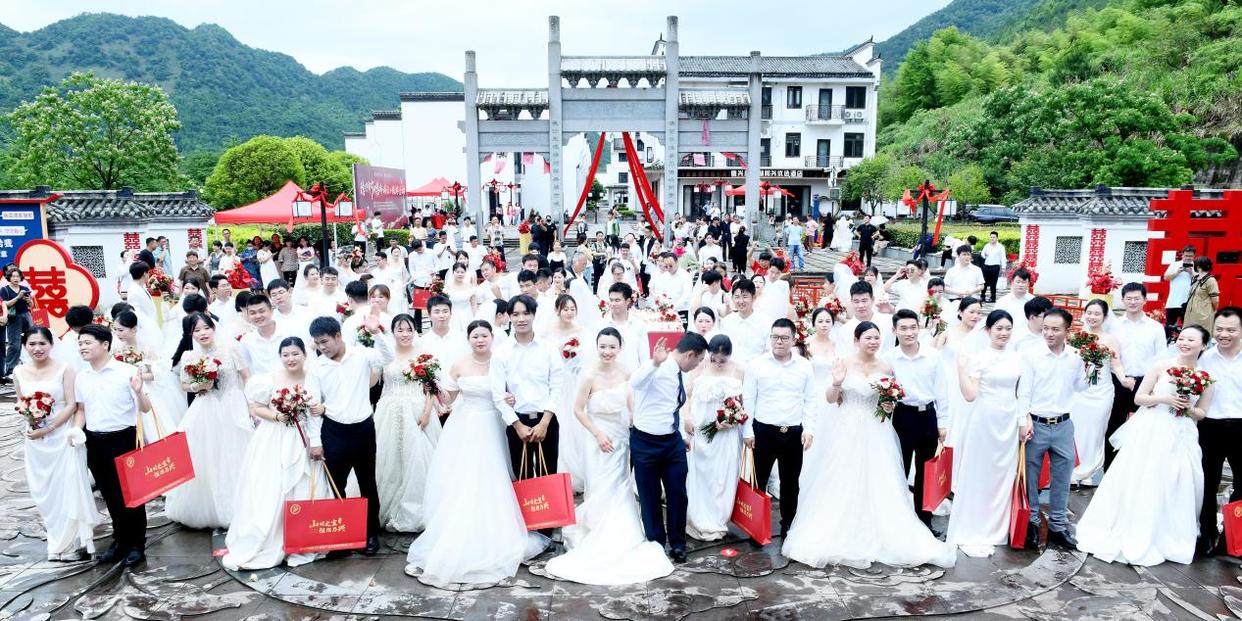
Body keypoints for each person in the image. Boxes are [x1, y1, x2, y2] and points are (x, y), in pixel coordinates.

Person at [783, 321, 956, 569]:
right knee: (843, 477)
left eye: (876, 338)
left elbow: (889, 401)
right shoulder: (843, 363)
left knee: (879, 478)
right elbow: (831, 400)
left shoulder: (886, 365)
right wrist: (837, 383)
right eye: (868, 338)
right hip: (846, 427)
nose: (873, 342)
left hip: (877, 429)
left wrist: (888, 404)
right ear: (856, 340)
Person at [405, 320, 548, 585]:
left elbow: (515, 389)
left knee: (494, 476)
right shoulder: (459, 364)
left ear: (492, 337)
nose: (480, 340)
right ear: (468, 339)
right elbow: (448, 399)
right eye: (475, 336)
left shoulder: (502, 361)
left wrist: (510, 398)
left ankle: (497, 528)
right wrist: (432, 387)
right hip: (466, 424)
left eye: (484, 335)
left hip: (495, 423)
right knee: (465, 477)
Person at [544, 328, 675, 584]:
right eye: (602, 346)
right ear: (596, 347)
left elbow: (632, 403)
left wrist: (637, 424)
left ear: (620, 348)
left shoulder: (627, 372)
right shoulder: (589, 375)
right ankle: (597, 528)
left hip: (622, 438)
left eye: (612, 347)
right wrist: (597, 434)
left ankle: (623, 530)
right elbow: (578, 410)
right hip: (598, 440)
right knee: (601, 486)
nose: (607, 352)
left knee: (621, 485)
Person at [1076, 325, 1214, 566]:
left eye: (1191, 340)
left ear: (1203, 345)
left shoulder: (1205, 377)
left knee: (1176, 479)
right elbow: (1140, 398)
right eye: (1181, 338)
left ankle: (1169, 534)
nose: (1184, 343)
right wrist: (1165, 399)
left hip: (1182, 433)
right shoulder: (1161, 366)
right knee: (1145, 476)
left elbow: (1202, 412)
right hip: (1153, 429)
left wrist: (1188, 409)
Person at [223, 337, 331, 570]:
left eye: (295, 354)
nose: (291, 359)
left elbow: (315, 412)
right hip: (274, 438)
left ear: (304, 355)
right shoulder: (267, 379)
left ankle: (301, 539)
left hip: (303, 439)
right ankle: (273, 540)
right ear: (280, 356)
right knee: (273, 487)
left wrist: (316, 441)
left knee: (304, 486)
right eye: (286, 354)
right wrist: (278, 416)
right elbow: (256, 408)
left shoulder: (313, 378)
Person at [308, 310, 393, 556]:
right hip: (333, 430)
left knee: (368, 483)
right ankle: (342, 538)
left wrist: (376, 333)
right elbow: (312, 406)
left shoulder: (361, 355)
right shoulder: (316, 366)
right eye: (317, 343)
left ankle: (370, 534)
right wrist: (315, 441)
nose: (322, 347)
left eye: (325, 341)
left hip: (363, 428)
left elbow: (388, 357)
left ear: (338, 336)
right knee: (337, 485)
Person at [945, 310, 1024, 556]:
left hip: (1009, 421)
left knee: (1004, 474)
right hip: (984, 420)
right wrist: (961, 369)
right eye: (998, 328)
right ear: (988, 331)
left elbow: (1023, 392)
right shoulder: (979, 358)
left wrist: (1024, 419)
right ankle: (975, 524)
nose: (1004, 333)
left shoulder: (1018, 358)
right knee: (980, 471)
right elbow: (970, 395)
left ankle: (998, 527)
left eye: (1008, 328)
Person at [164, 312, 253, 529]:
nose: (203, 333)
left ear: (214, 328)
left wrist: (252, 404)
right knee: (208, 456)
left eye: (206, 328)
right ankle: (212, 507)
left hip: (233, 405)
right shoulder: (189, 356)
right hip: (206, 408)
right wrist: (198, 386)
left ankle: (243, 505)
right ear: (191, 334)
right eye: (197, 330)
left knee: (236, 453)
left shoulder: (231, 348)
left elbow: (246, 377)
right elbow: (185, 385)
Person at [17, 327, 98, 561]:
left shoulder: (65, 369)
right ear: (25, 346)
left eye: (42, 343)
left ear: (51, 345)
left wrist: (49, 427)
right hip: (36, 440)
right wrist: (32, 421)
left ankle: (70, 543)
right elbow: (21, 403)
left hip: (62, 437)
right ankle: (55, 539)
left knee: (66, 488)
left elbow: (72, 404)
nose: (37, 348)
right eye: (32, 344)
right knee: (44, 491)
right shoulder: (18, 371)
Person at [75, 324, 151, 567]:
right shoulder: (81, 376)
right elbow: (81, 409)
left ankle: (136, 544)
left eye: (87, 342)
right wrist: (76, 429)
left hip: (124, 438)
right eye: (80, 343)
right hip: (95, 440)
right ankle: (119, 541)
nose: (82, 347)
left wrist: (139, 392)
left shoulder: (126, 371)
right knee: (109, 494)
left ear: (105, 344)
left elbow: (146, 408)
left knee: (132, 495)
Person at [630, 332, 708, 563]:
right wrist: (654, 363)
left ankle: (678, 543)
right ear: (690, 355)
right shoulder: (658, 368)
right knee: (649, 496)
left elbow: (674, 408)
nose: (697, 366)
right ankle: (656, 543)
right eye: (698, 360)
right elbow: (635, 382)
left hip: (672, 441)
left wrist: (681, 435)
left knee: (678, 493)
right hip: (646, 443)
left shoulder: (678, 371)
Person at [1018, 308, 1089, 549]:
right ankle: (1032, 522)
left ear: (1067, 330)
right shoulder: (1031, 355)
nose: (1049, 333)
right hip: (1036, 424)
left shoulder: (1076, 356)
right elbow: (1024, 391)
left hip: (1063, 425)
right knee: (1030, 476)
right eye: (1046, 328)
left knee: (1062, 477)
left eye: (1055, 329)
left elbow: (1081, 386)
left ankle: (1058, 526)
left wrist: (1093, 367)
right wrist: (1023, 420)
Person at [740, 318, 816, 538]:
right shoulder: (757, 365)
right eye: (775, 337)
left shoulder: (804, 366)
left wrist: (809, 429)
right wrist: (747, 431)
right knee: (759, 481)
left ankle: (788, 524)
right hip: (764, 431)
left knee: (790, 483)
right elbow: (749, 399)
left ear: (793, 339)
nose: (779, 342)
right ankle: (756, 528)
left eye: (784, 338)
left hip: (793, 432)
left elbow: (810, 399)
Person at [374, 314, 442, 533]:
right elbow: (374, 381)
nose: (405, 334)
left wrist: (427, 412)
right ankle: (385, 508)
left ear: (415, 331)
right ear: (392, 332)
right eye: (400, 329)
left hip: (417, 409)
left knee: (417, 457)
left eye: (409, 329)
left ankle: (417, 508)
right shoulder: (384, 353)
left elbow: (431, 388)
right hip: (389, 409)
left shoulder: (423, 354)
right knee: (389, 456)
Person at [492, 294, 564, 489]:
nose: (521, 319)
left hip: (546, 421)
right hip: (517, 422)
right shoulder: (501, 352)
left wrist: (544, 423)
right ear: (509, 317)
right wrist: (517, 426)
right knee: (523, 480)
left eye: (526, 313)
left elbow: (557, 387)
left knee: (548, 477)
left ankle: (550, 510)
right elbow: (497, 394)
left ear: (534, 314)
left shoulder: (548, 349)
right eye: (515, 314)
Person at [884, 309, 948, 529]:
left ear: (919, 328)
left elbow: (942, 392)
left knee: (925, 471)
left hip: (928, 417)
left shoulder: (933, 356)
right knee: (899, 469)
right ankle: (899, 519)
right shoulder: (889, 358)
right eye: (903, 328)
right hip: (902, 417)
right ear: (894, 330)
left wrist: (943, 423)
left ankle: (924, 521)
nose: (909, 332)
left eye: (913, 327)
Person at [683, 335, 745, 541]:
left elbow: (743, 402)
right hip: (701, 428)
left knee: (723, 474)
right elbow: (686, 396)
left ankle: (719, 518)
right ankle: (698, 517)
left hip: (726, 431)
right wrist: (686, 418)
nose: (718, 363)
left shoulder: (739, 370)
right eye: (714, 359)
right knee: (701, 473)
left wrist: (732, 419)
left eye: (722, 360)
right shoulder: (699, 367)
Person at [1105, 283, 1169, 473]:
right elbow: (1110, 355)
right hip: (1119, 380)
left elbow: (1161, 357)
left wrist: (1155, 385)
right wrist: (1122, 377)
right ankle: (1110, 470)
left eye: (1137, 298)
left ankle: (1139, 469)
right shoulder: (1114, 326)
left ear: (1144, 300)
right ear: (1122, 300)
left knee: (1145, 426)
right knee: (1114, 424)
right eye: (1129, 299)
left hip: (1146, 383)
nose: (1132, 302)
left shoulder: (1155, 327)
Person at [1196, 307, 1242, 558]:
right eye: (1220, 329)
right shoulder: (1204, 358)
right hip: (1210, 427)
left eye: (1231, 330)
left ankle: (1233, 537)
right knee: (1207, 483)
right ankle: (1208, 534)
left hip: (1240, 426)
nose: (1224, 334)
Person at [1069, 299, 1130, 486]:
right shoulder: (1076, 337)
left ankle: (1088, 471)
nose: (1092, 317)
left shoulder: (1111, 339)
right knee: (1076, 429)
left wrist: (1123, 379)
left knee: (1096, 430)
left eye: (1097, 314)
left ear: (1104, 317)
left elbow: (1116, 363)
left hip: (1102, 390)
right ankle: (1073, 468)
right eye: (1089, 313)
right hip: (1079, 391)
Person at [719, 278, 770, 364]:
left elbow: (769, 349)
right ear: (732, 298)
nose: (741, 301)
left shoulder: (765, 321)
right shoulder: (727, 321)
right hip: (732, 367)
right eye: (737, 297)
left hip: (758, 367)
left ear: (754, 297)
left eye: (745, 297)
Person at [1163, 245, 1196, 340]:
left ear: (1194, 256)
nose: (1188, 258)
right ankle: (1166, 343)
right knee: (1169, 327)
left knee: (1189, 328)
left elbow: (1200, 281)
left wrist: (1191, 273)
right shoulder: (1174, 264)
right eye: (1186, 255)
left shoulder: (1197, 266)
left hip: (1189, 302)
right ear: (1182, 255)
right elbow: (1166, 277)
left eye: (1190, 256)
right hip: (1173, 301)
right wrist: (1177, 272)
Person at [1184, 256, 1219, 333]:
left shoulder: (1210, 280)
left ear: (1198, 267)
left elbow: (1215, 300)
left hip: (1203, 315)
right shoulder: (1196, 278)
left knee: (1201, 334)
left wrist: (1213, 311)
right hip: (1191, 314)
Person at [980, 231, 1006, 303]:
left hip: (995, 267)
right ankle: (982, 296)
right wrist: (984, 254)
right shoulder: (986, 245)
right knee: (984, 282)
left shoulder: (1001, 247)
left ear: (997, 238)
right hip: (986, 266)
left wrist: (1003, 268)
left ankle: (993, 297)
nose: (992, 238)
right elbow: (982, 255)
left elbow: (1003, 258)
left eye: (994, 237)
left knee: (993, 283)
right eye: (991, 237)